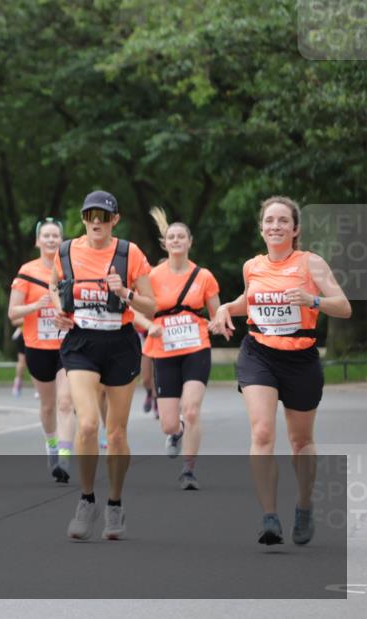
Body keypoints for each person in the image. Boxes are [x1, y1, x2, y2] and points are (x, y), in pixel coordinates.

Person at [210, 196, 350, 546]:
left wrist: (312, 300)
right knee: (261, 433)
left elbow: (344, 307)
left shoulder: (311, 264)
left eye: (283, 220)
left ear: (295, 229)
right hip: (259, 354)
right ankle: (269, 517)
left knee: (300, 441)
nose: (276, 226)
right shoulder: (252, 266)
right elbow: (249, 301)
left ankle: (303, 505)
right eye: (269, 220)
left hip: (300, 359)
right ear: (261, 228)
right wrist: (225, 307)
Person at [50, 191, 155, 541]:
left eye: (104, 216)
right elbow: (54, 286)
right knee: (87, 423)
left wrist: (125, 293)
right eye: (90, 215)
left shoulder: (129, 253)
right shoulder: (66, 251)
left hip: (120, 344)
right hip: (81, 343)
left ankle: (114, 503)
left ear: (115, 220)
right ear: (83, 219)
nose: (97, 222)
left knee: (117, 432)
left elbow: (152, 306)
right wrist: (58, 311)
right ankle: (86, 499)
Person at [139, 208, 223, 490]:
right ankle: (176, 433)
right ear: (165, 243)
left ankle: (188, 470)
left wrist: (218, 324)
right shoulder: (151, 276)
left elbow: (216, 315)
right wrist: (149, 325)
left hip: (196, 348)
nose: (176, 240)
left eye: (181, 236)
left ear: (189, 242)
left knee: (192, 409)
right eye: (171, 237)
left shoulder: (204, 276)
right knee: (168, 423)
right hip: (164, 351)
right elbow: (139, 311)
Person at [8, 217, 74, 482]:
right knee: (48, 406)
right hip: (37, 346)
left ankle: (65, 458)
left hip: (67, 345)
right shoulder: (27, 271)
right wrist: (37, 306)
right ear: (37, 241)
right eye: (45, 236)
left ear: (62, 240)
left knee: (66, 402)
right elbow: (13, 313)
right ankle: (52, 445)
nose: (50, 240)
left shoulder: (70, 269)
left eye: (55, 236)